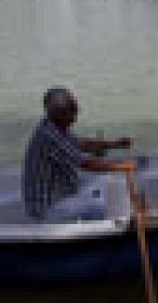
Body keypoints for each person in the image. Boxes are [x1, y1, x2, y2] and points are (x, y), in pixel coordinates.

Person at [22, 87, 136, 220]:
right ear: (59, 113)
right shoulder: (50, 136)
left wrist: (114, 144)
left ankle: (128, 212)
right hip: (50, 208)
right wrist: (121, 166)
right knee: (101, 209)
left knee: (108, 181)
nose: (76, 114)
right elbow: (85, 163)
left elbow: (80, 144)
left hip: (66, 193)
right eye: (73, 110)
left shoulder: (54, 126)